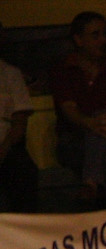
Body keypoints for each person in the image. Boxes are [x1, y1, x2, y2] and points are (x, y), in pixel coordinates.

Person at [50, 11, 106, 209]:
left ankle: (90, 184)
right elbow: (69, 109)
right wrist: (93, 123)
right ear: (79, 40)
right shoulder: (64, 70)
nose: (103, 40)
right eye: (95, 35)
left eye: (105, 34)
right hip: (75, 140)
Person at [0, 21, 38, 213]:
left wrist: (3, 149)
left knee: (23, 169)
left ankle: (24, 227)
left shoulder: (10, 74)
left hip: (6, 145)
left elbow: (19, 122)